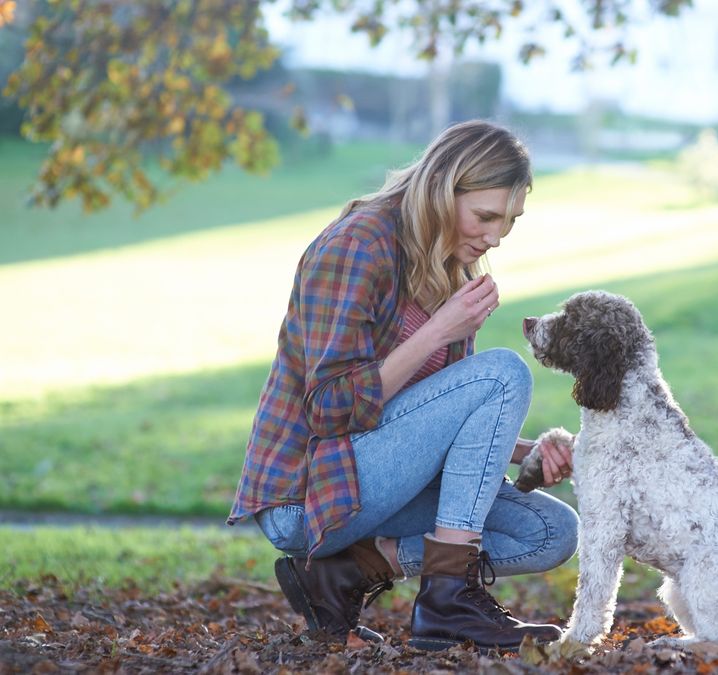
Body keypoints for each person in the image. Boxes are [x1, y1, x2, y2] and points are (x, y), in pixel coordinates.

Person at [226, 120, 579, 650]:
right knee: (504, 371)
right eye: (484, 216)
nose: (495, 236)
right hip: (307, 496)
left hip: (376, 480)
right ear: (442, 189)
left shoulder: (449, 267)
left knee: (551, 533)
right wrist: (440, 330)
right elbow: (327, 410)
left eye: (510, 221)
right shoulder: (357, 246)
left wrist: (529, 454)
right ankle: (446, 602)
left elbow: (439, 424)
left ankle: (348, 572)